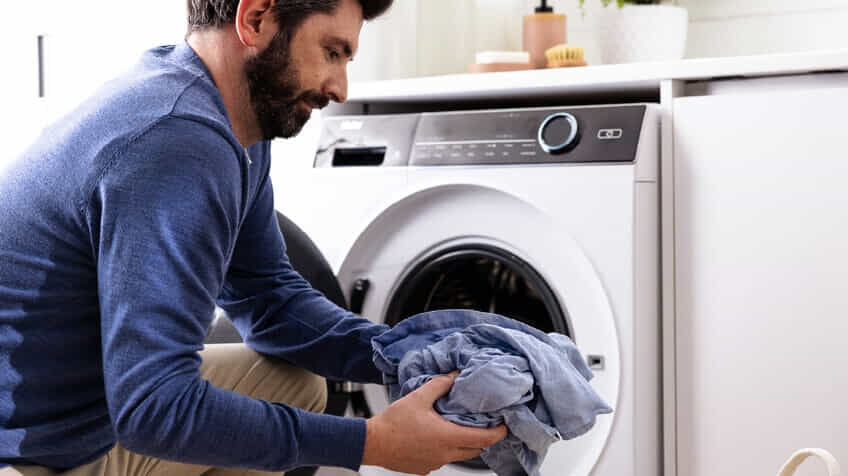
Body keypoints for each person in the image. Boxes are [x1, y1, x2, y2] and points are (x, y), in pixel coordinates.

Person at [0, 0, 507, 475]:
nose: (340, 88)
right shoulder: (177, 139)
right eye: (332, 52)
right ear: (257, 17)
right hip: (26, 453)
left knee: (293, 386)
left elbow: (272, 301)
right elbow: (153, 408)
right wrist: (372, 442)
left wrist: (413, 352)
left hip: (82, 422)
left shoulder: (222, 117)